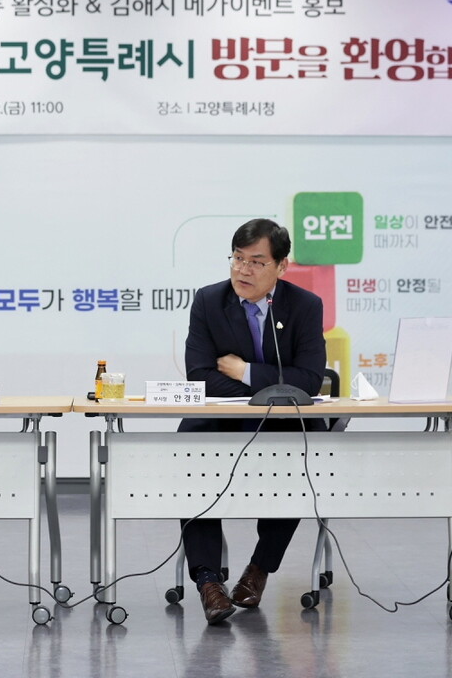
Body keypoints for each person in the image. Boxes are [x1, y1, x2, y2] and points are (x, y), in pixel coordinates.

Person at [178, 218, 326, 624]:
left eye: (257, 262)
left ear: (282, 266)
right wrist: (268, 388)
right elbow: (199, 377)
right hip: (221, 420)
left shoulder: (305, 306)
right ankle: (208, 581)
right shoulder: (209, 301)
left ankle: (259, 568)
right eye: (238, 259)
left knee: (299, 455)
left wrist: (244, 372)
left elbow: (309, 379)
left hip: (282, 422)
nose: (243, 270)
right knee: (189, 450)